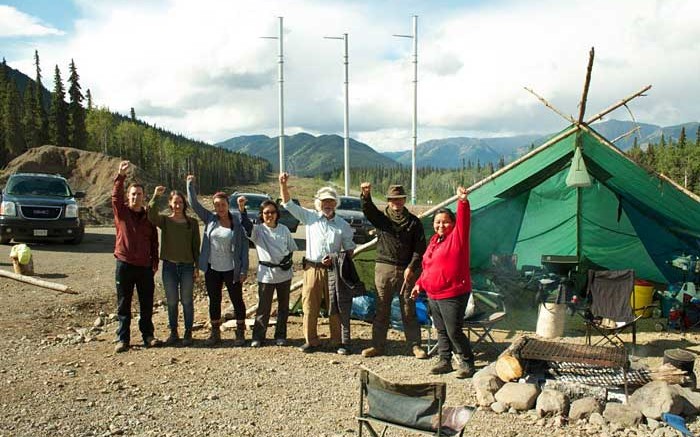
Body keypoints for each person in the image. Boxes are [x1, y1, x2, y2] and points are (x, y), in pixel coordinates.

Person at [279, 172, 356, 354]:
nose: (327, 205)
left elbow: (350, 250)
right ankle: (310, 341)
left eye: (330, 201)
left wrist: (336, 258)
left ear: (335, 203)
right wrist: (283, 185)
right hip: (312, 269)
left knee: (334, 306)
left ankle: (337, 342)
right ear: (318, 203)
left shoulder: (343, 225)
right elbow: (288, 204)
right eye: (324, 202)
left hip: (334, 270)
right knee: (309, 306)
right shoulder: (310, 217)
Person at [411, 186, 475, 378]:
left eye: (446, 222)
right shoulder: (434, 241)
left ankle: (467, 363)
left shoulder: (458, 238)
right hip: (433, 295)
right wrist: (418, 284)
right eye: (438, 222)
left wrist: (462, 201)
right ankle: (444, 360)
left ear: (453, 224)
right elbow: (428, 267)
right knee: (440, 330)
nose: (441, 226)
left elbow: (464, 220)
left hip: (453, 293)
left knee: (454, 330)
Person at [359, 183, 427, 359]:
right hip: (384, 269)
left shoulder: (414, 222)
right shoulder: (381, 220)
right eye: (392, 199)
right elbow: (368, 210)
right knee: (382, 309)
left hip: (407, 271)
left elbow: (420, 249)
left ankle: (415, 346)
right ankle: (377, 346)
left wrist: (412, 267)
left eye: (399, 199)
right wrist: (366, 195)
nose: (396, 202)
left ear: (404, 200)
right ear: (388, 201)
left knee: (408, 309)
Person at [186, 175, 249, 346]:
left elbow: (244, 248)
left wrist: (243, 270)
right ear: (214, 206)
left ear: (228, 205)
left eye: (223, 204)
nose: (220, 208)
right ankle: (215, 333)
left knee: (237, 300)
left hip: (232, 269)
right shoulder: (210, 219)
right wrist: (190, 184)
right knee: (214, 300)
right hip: (212, 268)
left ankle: (240, 332)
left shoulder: (236, 222)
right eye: (217, 205)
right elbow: (194, 204)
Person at [112, 160, 161, 353]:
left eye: (139, 194)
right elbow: (115, 197)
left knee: (146, 303)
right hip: (124, 264)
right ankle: (123, 339)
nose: (135, 197)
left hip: (144, 267)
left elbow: (154, 242)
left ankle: (148, 335)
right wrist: (120, 176)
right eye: (133, 194)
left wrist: (155, 262)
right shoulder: (122, 213)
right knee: (124, 304)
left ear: (143, 197)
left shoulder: (148, 218)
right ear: (128, 196)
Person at [237, 197, 298, 347]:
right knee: (263, 307)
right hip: (266, 274)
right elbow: (245, 225)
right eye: (266, 213)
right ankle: (258, 337)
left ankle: (280, 335)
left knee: (283, 308)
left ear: (277, 214)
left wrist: (287, 261)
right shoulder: (258, 230)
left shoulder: (284, 229)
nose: (269, 215)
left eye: (272, 212)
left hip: (284, 274)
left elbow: (291, 248)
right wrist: (242, 209)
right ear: (261, 215)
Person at [148, 185, 201, 346]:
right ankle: (173, 332)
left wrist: (197, 266)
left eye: (180, 203)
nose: (177, 206)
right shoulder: (165, 221)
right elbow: (150, 214)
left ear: (184, 204)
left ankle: (188, 332)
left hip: (186, 267)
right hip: (169, 267)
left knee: (187, 301)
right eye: (174, 202)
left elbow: (195, 246)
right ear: (170, 204)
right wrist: (156, 196)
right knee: (171, 301)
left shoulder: (192, 223)